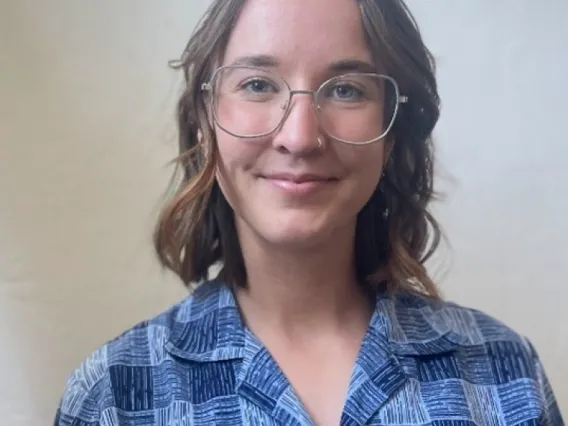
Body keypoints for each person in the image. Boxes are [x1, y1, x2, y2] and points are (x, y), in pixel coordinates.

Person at [54, 0, 564, 424]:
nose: (299, 137)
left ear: (391, 131)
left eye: (346, 90)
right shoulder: (114, 394)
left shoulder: (503, 375)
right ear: (206, 120)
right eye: (257, 84)